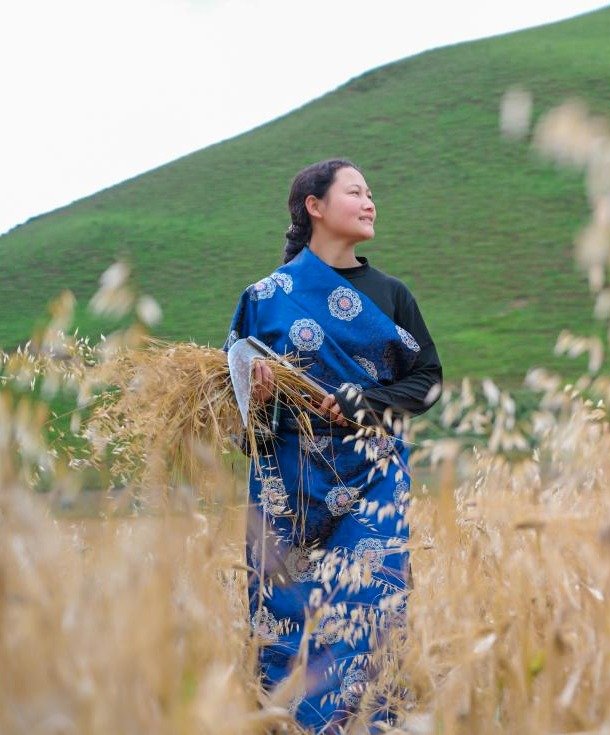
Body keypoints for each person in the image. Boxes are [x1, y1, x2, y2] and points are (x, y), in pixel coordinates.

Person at [223, 158, 443, 732]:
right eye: (356, 192)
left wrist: (365, 403)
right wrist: (260, 389)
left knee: (368, 610)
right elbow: (234, 406)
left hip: (372, 474)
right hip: (287, 480)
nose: (370, 202)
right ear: (314, 206)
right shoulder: (266, 298)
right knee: (285, 621)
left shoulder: (392, 295)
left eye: (371, 193)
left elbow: (428, 381)